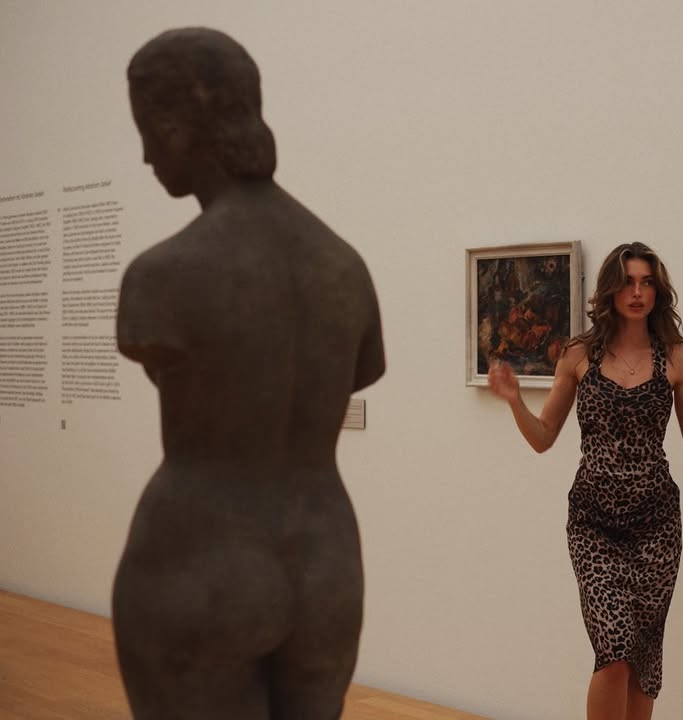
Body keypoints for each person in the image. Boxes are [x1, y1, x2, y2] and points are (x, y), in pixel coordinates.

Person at [112, 28, 384, 719]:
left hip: (200, 556)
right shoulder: (345, 268)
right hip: (326, 562)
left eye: (148, 132)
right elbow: (360, 372)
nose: (146, 155)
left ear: (175, 125)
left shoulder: (161, 274)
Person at [488, 242, 683, 720]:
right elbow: (543, 437)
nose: (637, 292)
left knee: (643, 657)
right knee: (614, 649)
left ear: (657, 291)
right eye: (628, 282)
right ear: (611, 290)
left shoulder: (676, 358)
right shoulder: (579, 354)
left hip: (656, 527)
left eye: (647, 283)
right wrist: (515, 402)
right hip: (593, 526)